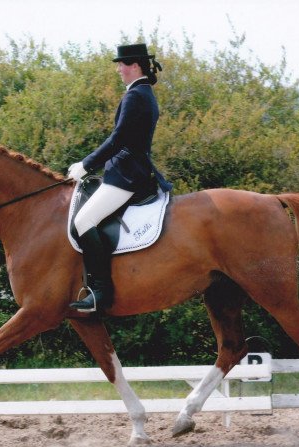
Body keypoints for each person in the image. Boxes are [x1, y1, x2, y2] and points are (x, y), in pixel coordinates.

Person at [68, 43, 172, 313]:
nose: (118, 70)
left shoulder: (136, 96)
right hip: (129, 170)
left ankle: (100, 291)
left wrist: (87, 164)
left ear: (134, 66)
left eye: (121, 65)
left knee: (83, 220)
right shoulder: (143, 93)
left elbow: (119, 139)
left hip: (126, 175)